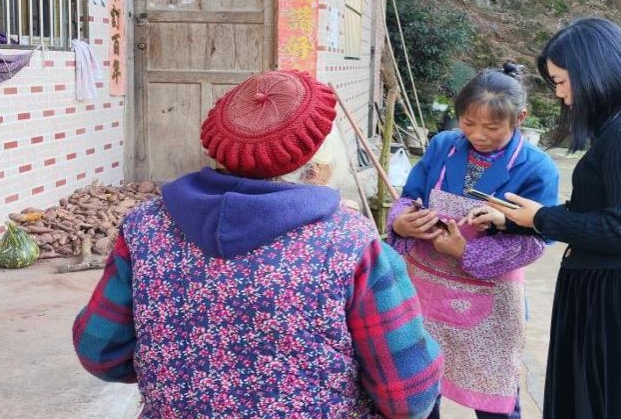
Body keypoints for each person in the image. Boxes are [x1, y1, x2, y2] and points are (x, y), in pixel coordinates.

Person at [72, 70, 444, 418]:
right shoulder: (351, 244)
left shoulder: (146, 227)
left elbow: (98, 350)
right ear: (317, 166)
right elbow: (408, 396)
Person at [483, 18, 621, 419]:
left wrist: (543, 219)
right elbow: (606, 215)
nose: (563, 96)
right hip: (618, 294)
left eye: (563, 82)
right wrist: (516, 219)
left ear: (596, 70)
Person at [386, 63, 559, 418]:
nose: (478, 135)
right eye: (468, 123)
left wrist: (466, 251)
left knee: (494, 394)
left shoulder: (536, 168)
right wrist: (402, 223)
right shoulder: (443, 146)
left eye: (492, 127)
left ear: (519, 117)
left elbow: (537, 241)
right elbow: (411, 195)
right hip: (425, 291)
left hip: (488, 297)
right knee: (421, 382)